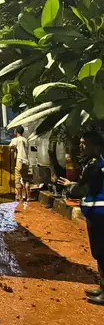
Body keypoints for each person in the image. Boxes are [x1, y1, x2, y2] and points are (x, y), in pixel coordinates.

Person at [58, 130, 104, 305]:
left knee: (101, 253)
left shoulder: (94, 165)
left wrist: (70, 186)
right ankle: (102, 287)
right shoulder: (96, 162)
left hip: (99, 213)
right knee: (100, 253)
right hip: (97, 213)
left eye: (85, 143)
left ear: (95, 146)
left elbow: (83, 189)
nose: (81, 146)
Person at [9, 126, 31, 207]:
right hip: (26, 161)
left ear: (16, 132)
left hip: (19, 161)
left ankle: (20, 197)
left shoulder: (15, 140)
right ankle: (28, 197)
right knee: (26, 179)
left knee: (17, 179)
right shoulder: (25, 140)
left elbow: (10, 148)